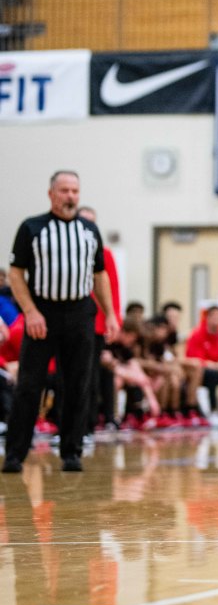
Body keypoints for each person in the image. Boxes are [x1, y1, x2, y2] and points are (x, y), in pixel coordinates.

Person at [3, 171, 120, 474]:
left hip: (80, 313)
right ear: (51, 194)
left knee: (77, 384)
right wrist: (29, 312)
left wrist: (110, 313)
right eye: (64, 190)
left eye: (75, 190)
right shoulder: (32, 227)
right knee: (30, 385)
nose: (70, 196)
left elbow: (99, 275)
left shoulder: (89, 230)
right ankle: (15, 453)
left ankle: (72, 451)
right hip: (42, 313)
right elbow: (16, 274)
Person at [77, 206, 120, 432]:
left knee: (94, 375)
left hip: (96, 326)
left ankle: (91, 422)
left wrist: (114, 321)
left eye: (92, 222)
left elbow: (112, 289)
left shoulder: (105, 255)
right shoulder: (67, 251)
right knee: (76, 375)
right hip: (70, 322)